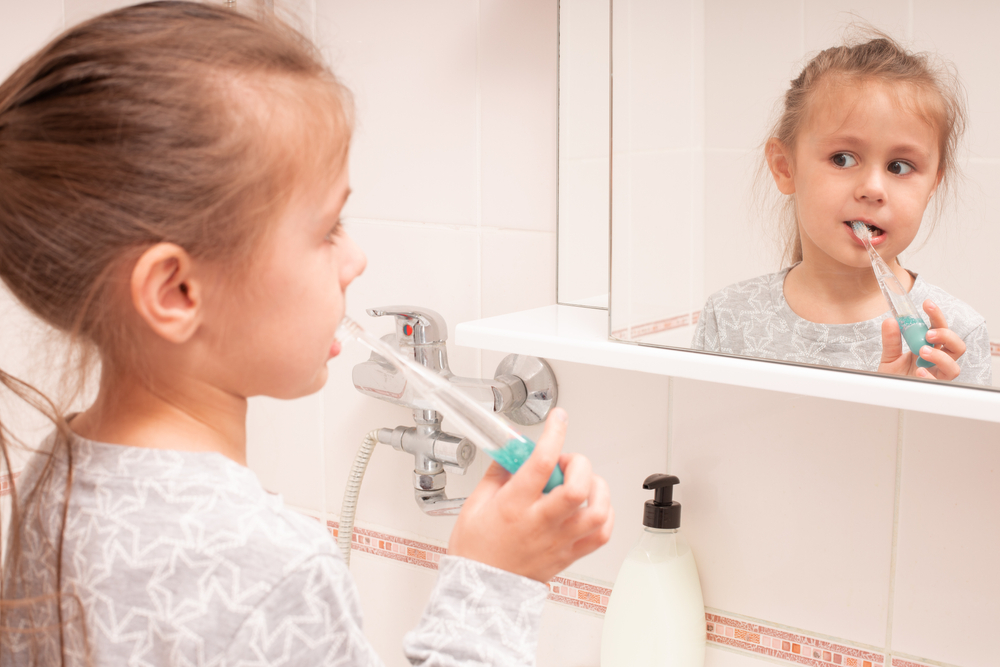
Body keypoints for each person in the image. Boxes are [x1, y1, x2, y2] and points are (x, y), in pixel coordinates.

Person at [0, 3, 614, 665]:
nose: (356, 260)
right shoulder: (270, 570)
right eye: (327, 230)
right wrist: (497, 579)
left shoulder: (55, 475)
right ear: (176, 291)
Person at [691, 34, 992, 386]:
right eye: (843, 158)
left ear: (932, 185)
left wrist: (915, 404)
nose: (873, 189)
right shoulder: (729, 318)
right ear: (785, 167)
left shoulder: (955, 337)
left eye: (899, 166)